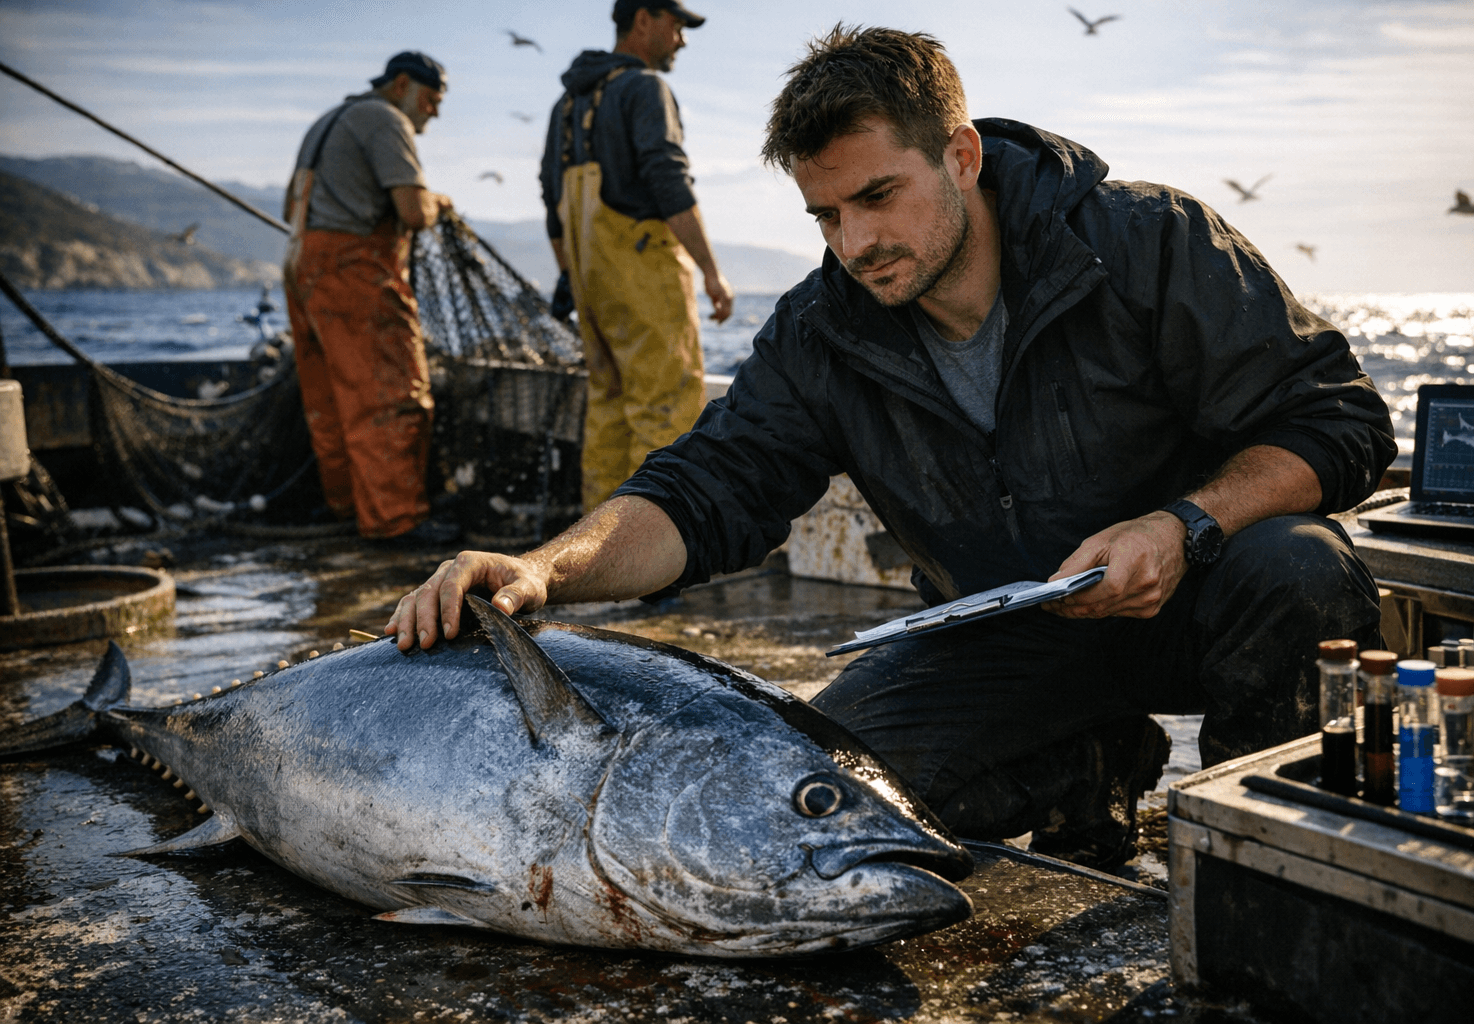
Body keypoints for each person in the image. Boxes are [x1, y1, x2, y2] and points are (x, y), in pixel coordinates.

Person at [391, 27, 1395, 868]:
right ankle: (1083, 762)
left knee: (1299, 568)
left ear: (961, 155)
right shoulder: (822, 330)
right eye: (824, 214)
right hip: (1001, 640)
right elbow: (704, 490)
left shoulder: (1147, 241)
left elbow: (1340, 422)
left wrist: (1184, 525)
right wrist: (539, 570)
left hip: (1195, 595)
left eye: (877, 197)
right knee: (811, 813)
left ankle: (1262, 871)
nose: (853, 242)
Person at [540, 0, 735, 511]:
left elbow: (551, 202)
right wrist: (711, 272)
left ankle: (597, 553)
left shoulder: (567, 106)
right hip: (643, 274)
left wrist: (570, 273)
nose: (682, 40)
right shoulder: (644, 88)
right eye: (677, 26)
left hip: (590, 282)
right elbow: (667, 178)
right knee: (665, 404)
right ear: (644, 19)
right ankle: (653, 566)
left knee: (606, 406)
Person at [283, 51, 458, 544]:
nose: (434, 113)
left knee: (331, 399)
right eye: (430, 99)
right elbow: (413, 210)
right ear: (401, 84)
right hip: (353, 268)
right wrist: (437, 202)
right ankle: (395, 521)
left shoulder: (326, 121)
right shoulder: (385, 118)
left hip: (301, 264)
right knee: (390, 394)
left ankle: (347, 508)